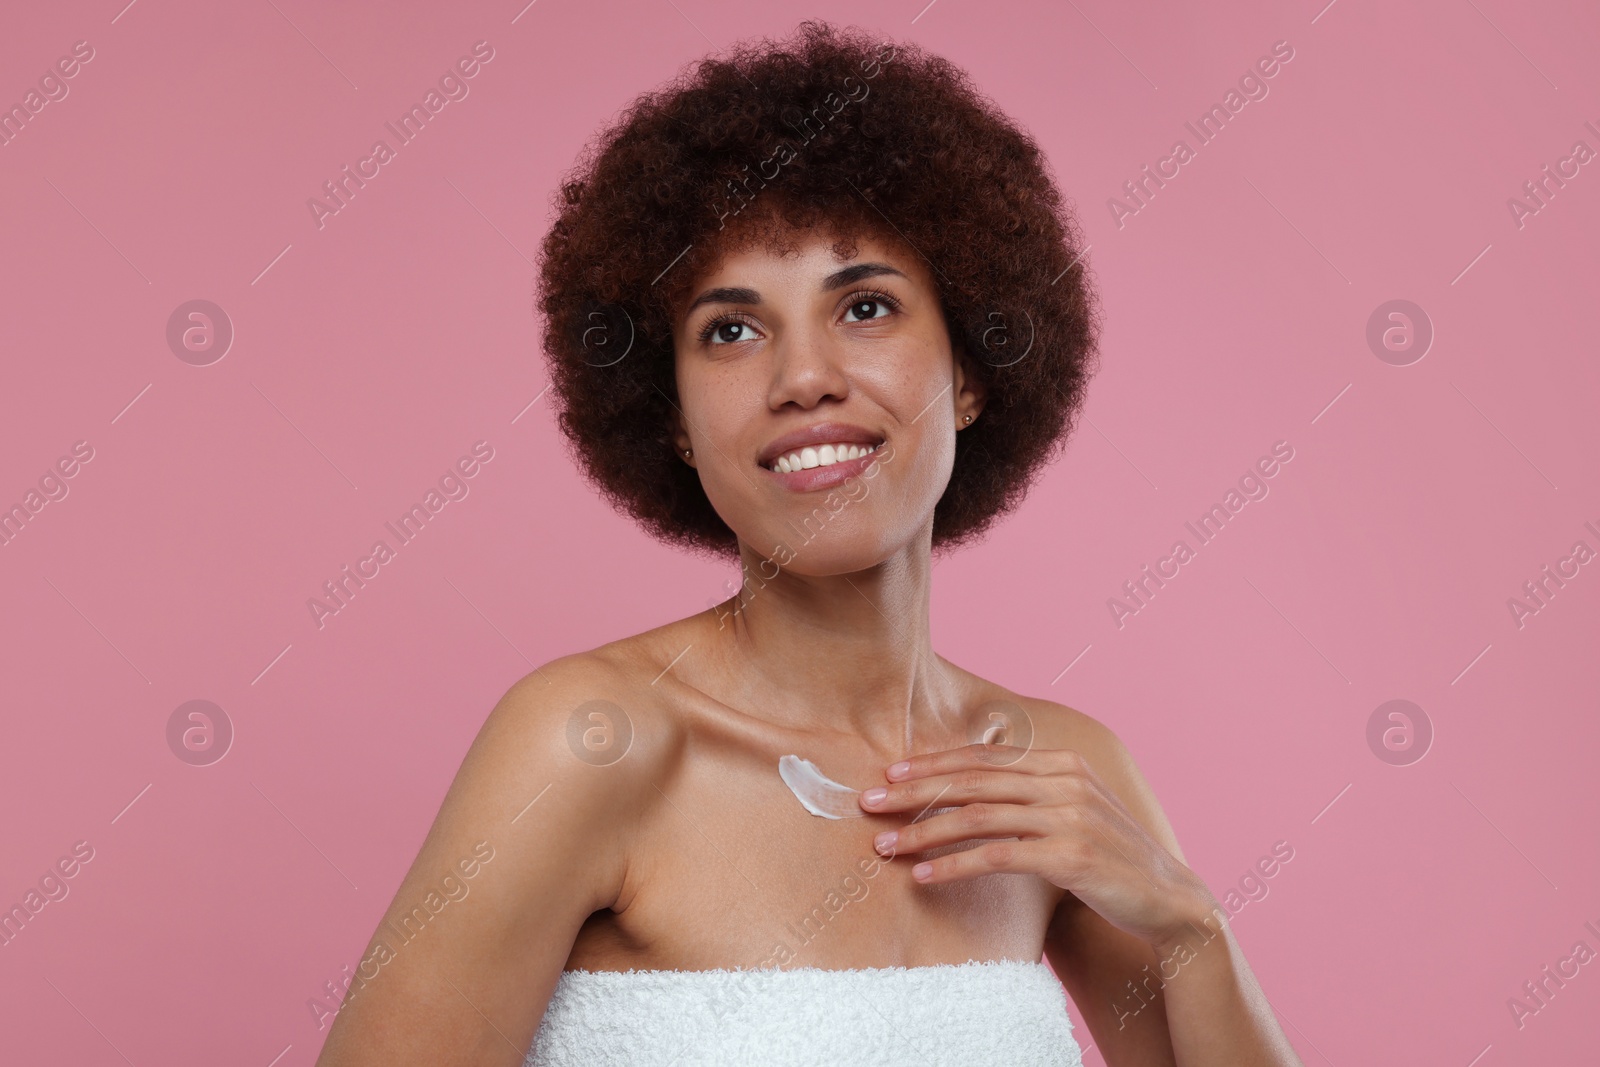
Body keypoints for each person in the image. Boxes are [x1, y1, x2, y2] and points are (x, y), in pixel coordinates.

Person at [314, 20, 1304, 1067]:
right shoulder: (593, 742)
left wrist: (1193, 927)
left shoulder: (1052, 772)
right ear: (673, 421)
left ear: (970, 371)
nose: (803, 377)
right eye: (731, 330)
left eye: (865, 306)